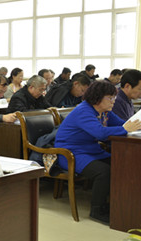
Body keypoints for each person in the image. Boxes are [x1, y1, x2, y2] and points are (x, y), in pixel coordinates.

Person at [54, 81, 141, 223]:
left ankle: (118, 203)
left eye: (114, 97)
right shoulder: (83, 111)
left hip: (92, 150)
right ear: (97, 97)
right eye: (110, 98)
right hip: (71, 153)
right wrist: (125, 129)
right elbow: (100, 133)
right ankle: (97, 210)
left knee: (122, 164)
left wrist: (135, 125)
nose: (113, 101)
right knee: (104, 172)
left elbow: (123, 124)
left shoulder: (105, 112)